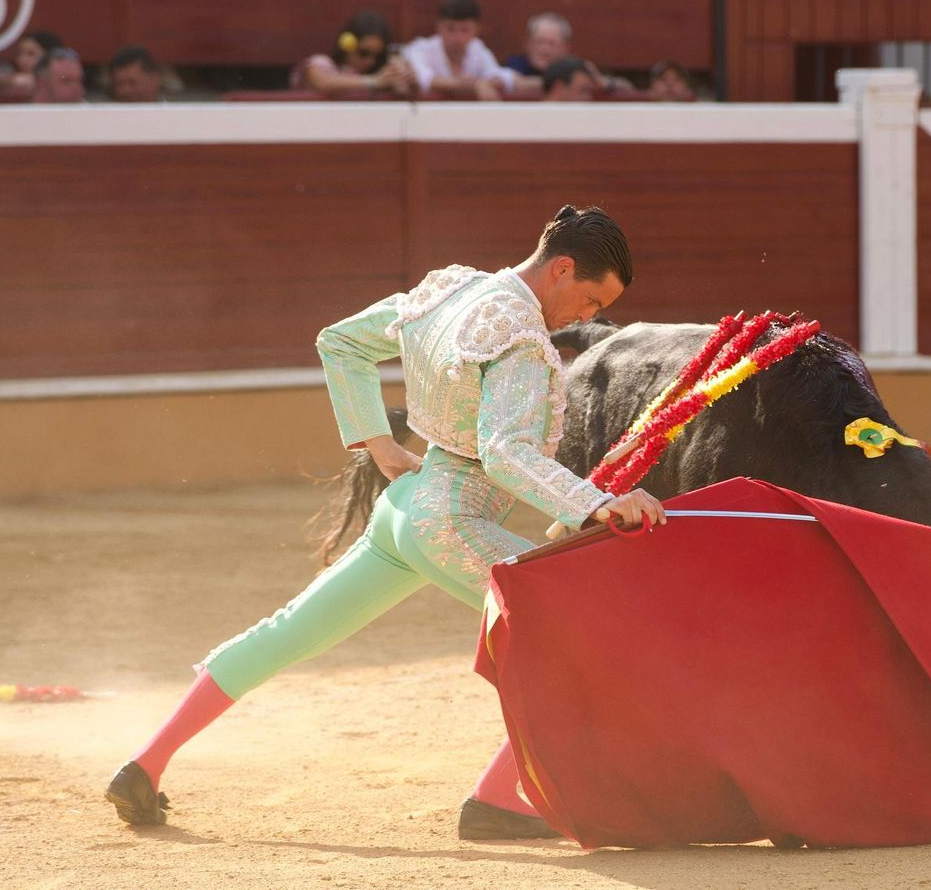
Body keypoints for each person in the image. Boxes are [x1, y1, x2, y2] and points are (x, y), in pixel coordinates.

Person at [105, 205, 667, 840]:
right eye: (590, 299)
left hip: (404, 507)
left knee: (285, 633)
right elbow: (506, 452)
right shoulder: (521, 339)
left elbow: (339, 341)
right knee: (586, 629)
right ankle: (495, 800)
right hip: (451, 521)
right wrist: (596, 503)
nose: (588, 317)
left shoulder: (450, 290)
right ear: (562, 268)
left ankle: (144, 766)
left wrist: (382, 448)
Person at [401, 0, 514, 101]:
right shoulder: (420, 49)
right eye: (450, 29)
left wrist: (482, 83)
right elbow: (424, 79)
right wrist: (475, 84)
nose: (457, 37)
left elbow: (498, 77)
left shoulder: (477, 48)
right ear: (439, 26)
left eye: (465, 30)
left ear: (477, 30)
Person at [290, 10, 413, 95]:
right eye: (363, 53)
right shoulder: (324, 63)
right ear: (346, 44)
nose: (370, 61)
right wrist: (373, 81)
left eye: (377, 56)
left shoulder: (381, 76)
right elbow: (320, 82)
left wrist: (404, 79)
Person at [503, 11, 569, 79]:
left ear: (565, 48)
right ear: (528, 44)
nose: (544, 49)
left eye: (551, 43)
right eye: (539, 42)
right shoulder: (514, 66)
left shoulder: (572, 73)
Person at [0, 29, 61, 93]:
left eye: (31, 54)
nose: (23, 59)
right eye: (19, 53)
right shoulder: (9, 71)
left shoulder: (61, 78)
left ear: (48, 56)